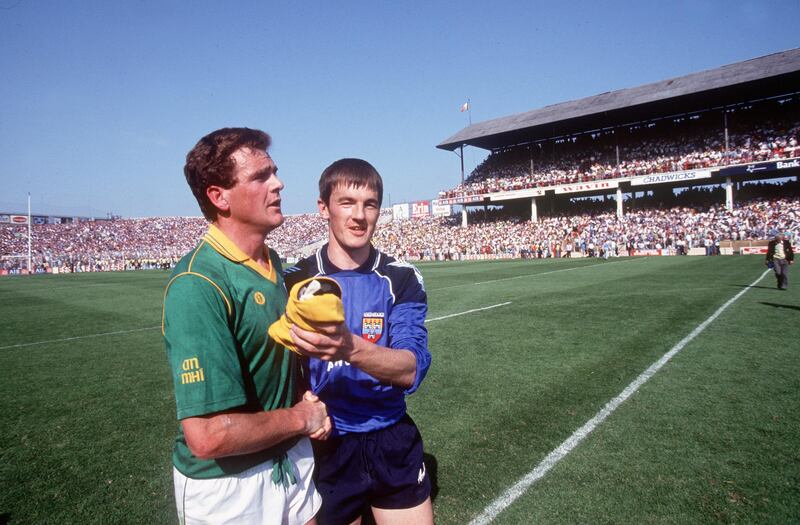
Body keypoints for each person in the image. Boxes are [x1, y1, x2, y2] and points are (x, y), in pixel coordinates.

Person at [162, 127, 331, 525]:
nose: (279, 183)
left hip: (290, 452)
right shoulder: (196, 284)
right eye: (260, 176)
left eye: (274, 171)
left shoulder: (272, 261)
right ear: (219, 197)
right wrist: (302, 418)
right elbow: (207, 437)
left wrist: (304, 396)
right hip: (228, 483)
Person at [285, 158, 433, 525]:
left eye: (369, 204)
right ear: (324, 208)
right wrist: (302, 396)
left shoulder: (399, 277)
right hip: (328, 443)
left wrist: (348, 347)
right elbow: (285, 368)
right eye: (347, 203)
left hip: (391, 435)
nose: (359, 216)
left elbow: (411, 368)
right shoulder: (295, 280)